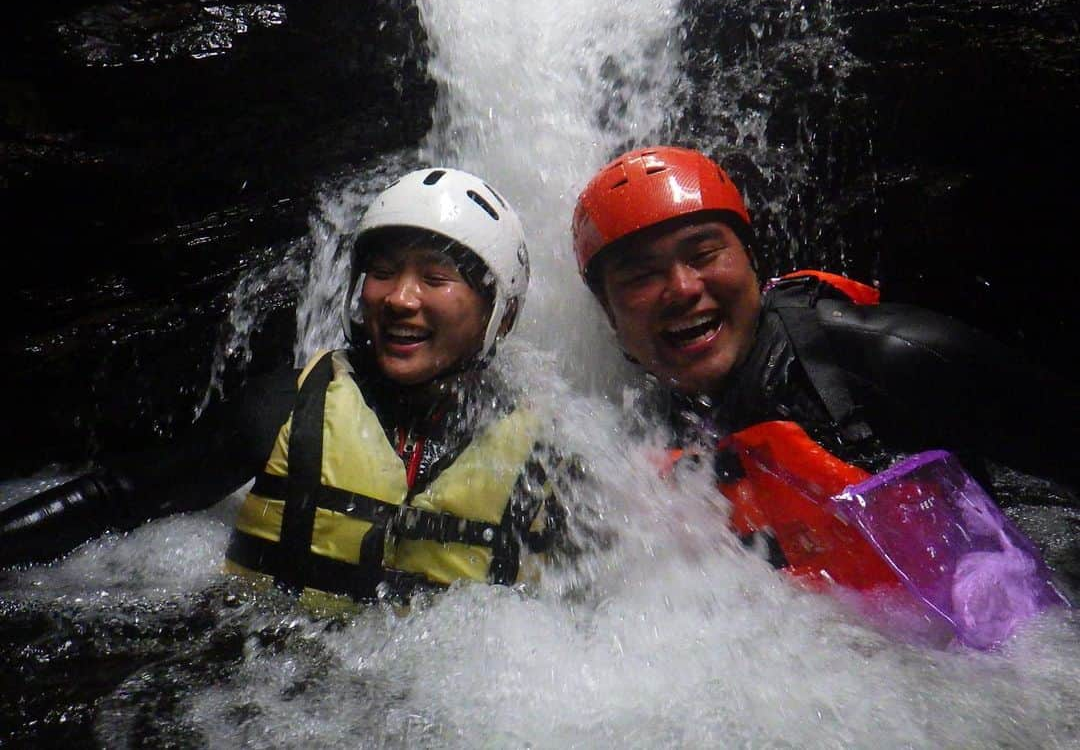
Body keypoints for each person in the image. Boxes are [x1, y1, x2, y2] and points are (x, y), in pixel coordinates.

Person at [571, 145, 1077, 645]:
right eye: (640, 277)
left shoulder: (885, 358)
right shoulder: (647, 436)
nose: (681, 288)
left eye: (703, 254)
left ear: (752, 261)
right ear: (611, 315)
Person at [0, 167, 570, 606]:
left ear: (503, 311)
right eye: (383, 271)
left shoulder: (545, 457)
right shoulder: (287, 406)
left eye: (435, 276)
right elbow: (118, 498)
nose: (399, 297)